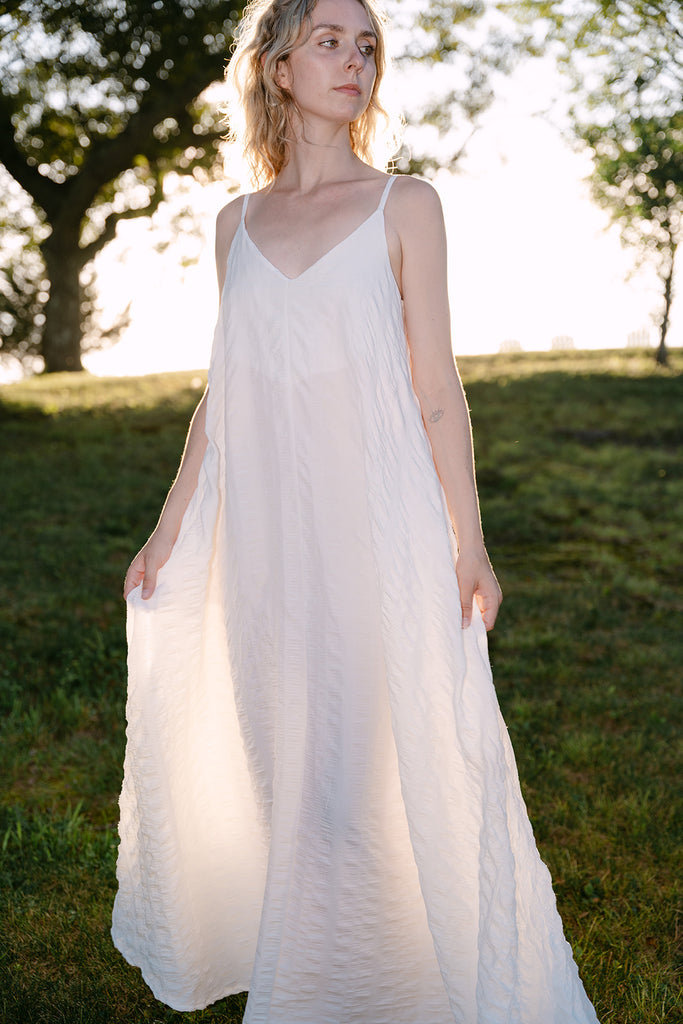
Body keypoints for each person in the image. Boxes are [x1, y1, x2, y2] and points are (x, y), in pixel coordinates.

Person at [112, 1, 600, 1022]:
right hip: (266, 548)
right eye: (329, 41)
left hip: (378, 537)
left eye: (367, 43)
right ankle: (331, 980)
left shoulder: (404, 206)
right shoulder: (232, 224)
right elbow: (224, 391)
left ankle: (386, 986)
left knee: (371, 772)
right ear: (278, 68)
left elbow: (435, 391)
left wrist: (469, 546)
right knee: (287, 771)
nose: (354, 60)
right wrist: (164, 533)